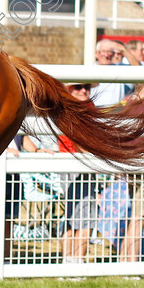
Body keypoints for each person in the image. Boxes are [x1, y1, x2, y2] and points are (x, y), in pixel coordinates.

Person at [59, 83, 97, 263]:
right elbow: (79, 140)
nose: (84, 90)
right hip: (76, 163)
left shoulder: (89, 105)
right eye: (79, 86)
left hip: (79, 164)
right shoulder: (68, 106)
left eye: (87, 87)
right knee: (83, 215)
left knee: (76, 214)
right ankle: (75, 261)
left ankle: (71, 259)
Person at [90, 39, 128, 107]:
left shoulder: (119, 68)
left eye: (109, 52)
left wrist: (120, 48)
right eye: (103, 51)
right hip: (97, 111)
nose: (106, 55)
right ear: (96, 53)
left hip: (117, 111)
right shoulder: (89, 71)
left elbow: (137, 66)